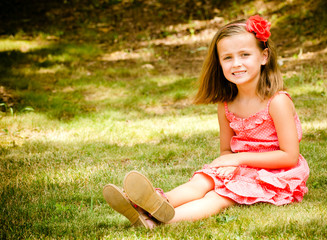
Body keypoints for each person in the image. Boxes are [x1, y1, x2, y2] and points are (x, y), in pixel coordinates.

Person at [102, 15, 309, 229]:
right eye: (227, 58)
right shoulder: (227, 105)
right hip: (240, 165)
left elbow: (289, 156)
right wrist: (229, 164)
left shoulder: (277, 102)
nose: (236, 64)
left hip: (275, 174)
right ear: (219, 62)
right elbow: (226, 151)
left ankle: (159, 220)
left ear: (264, 56)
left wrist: (237, 161)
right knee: (199, 183)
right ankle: (152, 204)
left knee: (218, 197)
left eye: (245, 55)